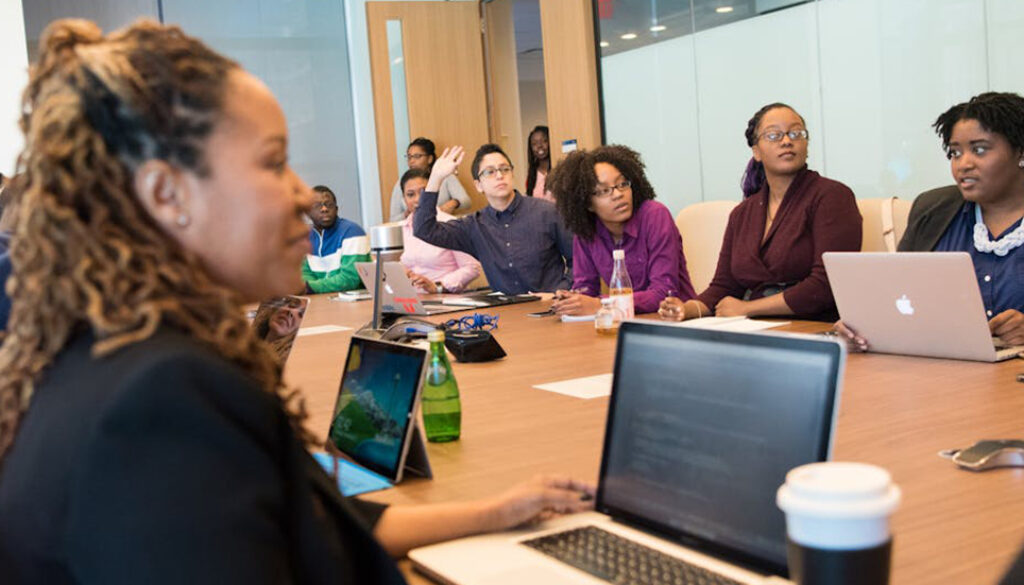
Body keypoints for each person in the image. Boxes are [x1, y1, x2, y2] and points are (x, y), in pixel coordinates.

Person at [0, 19, 594, 584]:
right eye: (271, 161)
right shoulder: (163, 398)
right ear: (167, 193)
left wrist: (497, 512)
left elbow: (322, 528)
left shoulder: (118, 359)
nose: (303, 193)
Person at [838, 92, 1024, 350]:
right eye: (955, 153)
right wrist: (861, 323)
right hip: (940, 362)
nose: (964, 164)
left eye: (979, 150)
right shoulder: (933, 209)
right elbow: (896, 290)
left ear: (1020, 152)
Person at [659, 102, 862, 322]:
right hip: (752, 328)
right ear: (756, 151)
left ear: (806, 144)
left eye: (796, 133)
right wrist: (686, 309)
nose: (787, 141)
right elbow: (724, 286)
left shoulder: (832, 196)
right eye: (774, 135)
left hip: (813, 325)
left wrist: (748, 308)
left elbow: (826, 284)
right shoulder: (743, 213)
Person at [547, 145, 695, 316]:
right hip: (622, 322)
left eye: (622, 184)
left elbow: (663, 293)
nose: (618, 194)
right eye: (604, 191)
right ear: (587, 203)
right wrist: (572, 300)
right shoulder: (586, 230)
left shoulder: (655, 215)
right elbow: (585, 288)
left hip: (674, 321)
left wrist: (601, 304)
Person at [413, 144, 574, 294]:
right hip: (505, 316)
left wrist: (560, 292)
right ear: (478, 185)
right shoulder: (473, 226)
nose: (499, 175)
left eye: (504, 169)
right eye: (490, 172)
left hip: (551, 310)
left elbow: (578, 259)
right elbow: (424, 229)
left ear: (512, 174)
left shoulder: (546, 212)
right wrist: (435, 179)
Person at [398, 168, 481, 293]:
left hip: (446, 298)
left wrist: (438, 286)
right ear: (404, 198)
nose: (417, 199)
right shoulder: (401, 228)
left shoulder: (450, 224)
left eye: (423, 192)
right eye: (410, 194)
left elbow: (472, 267)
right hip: (412, 300)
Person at [301, 184, 371, 293]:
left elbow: (350, 279)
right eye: (318, 206)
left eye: (329, 205)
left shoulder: (352, 231)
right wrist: (308, 286)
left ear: (336, 209)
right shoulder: (305, 238)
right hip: (320, 301)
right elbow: (305, 274)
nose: (324, 209)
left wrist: (310, 287)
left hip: (354, 302)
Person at [388, 137, 472, 222]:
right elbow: (393, 219)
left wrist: (453, 203)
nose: (412, 161)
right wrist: (407, 213)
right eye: (409, 157)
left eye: (417, 156)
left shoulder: (445, 176)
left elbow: (466, 201)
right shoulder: (402, 182)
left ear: (430, 159)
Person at [526, 125, 554, 203]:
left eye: (544, 141)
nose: (539, 146)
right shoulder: (532, 175)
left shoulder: (558, 170)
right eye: (534, 144)